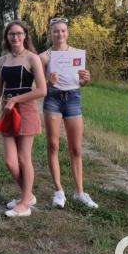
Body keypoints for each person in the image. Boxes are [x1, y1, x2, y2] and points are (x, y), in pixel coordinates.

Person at [0, 21, 46, 217]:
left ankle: (24, 204)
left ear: (25, 36)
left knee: (24, 159)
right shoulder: (2, 60)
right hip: (7, 111)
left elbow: (42, 90)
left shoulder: (33, 58)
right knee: (10, 162)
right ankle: (28, 195)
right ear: (7, 37)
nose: (15, 37)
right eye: (11, 34)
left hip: (26, 110)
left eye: (19, 33)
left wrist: (15, 99)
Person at [39, 17, 98, 209]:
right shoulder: (44, 57)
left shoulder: (77, 54)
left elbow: (81, 82)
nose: (60, 34)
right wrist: (48, 81)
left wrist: (86, 79)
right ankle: (58, 191)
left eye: (63, 30)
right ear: (51, 33)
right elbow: (38, 86)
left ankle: (80, 192)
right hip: (53, 99)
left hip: (73, 98)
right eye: (56, 31)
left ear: (68, 32)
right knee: (53, 145)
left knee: (76, 148)